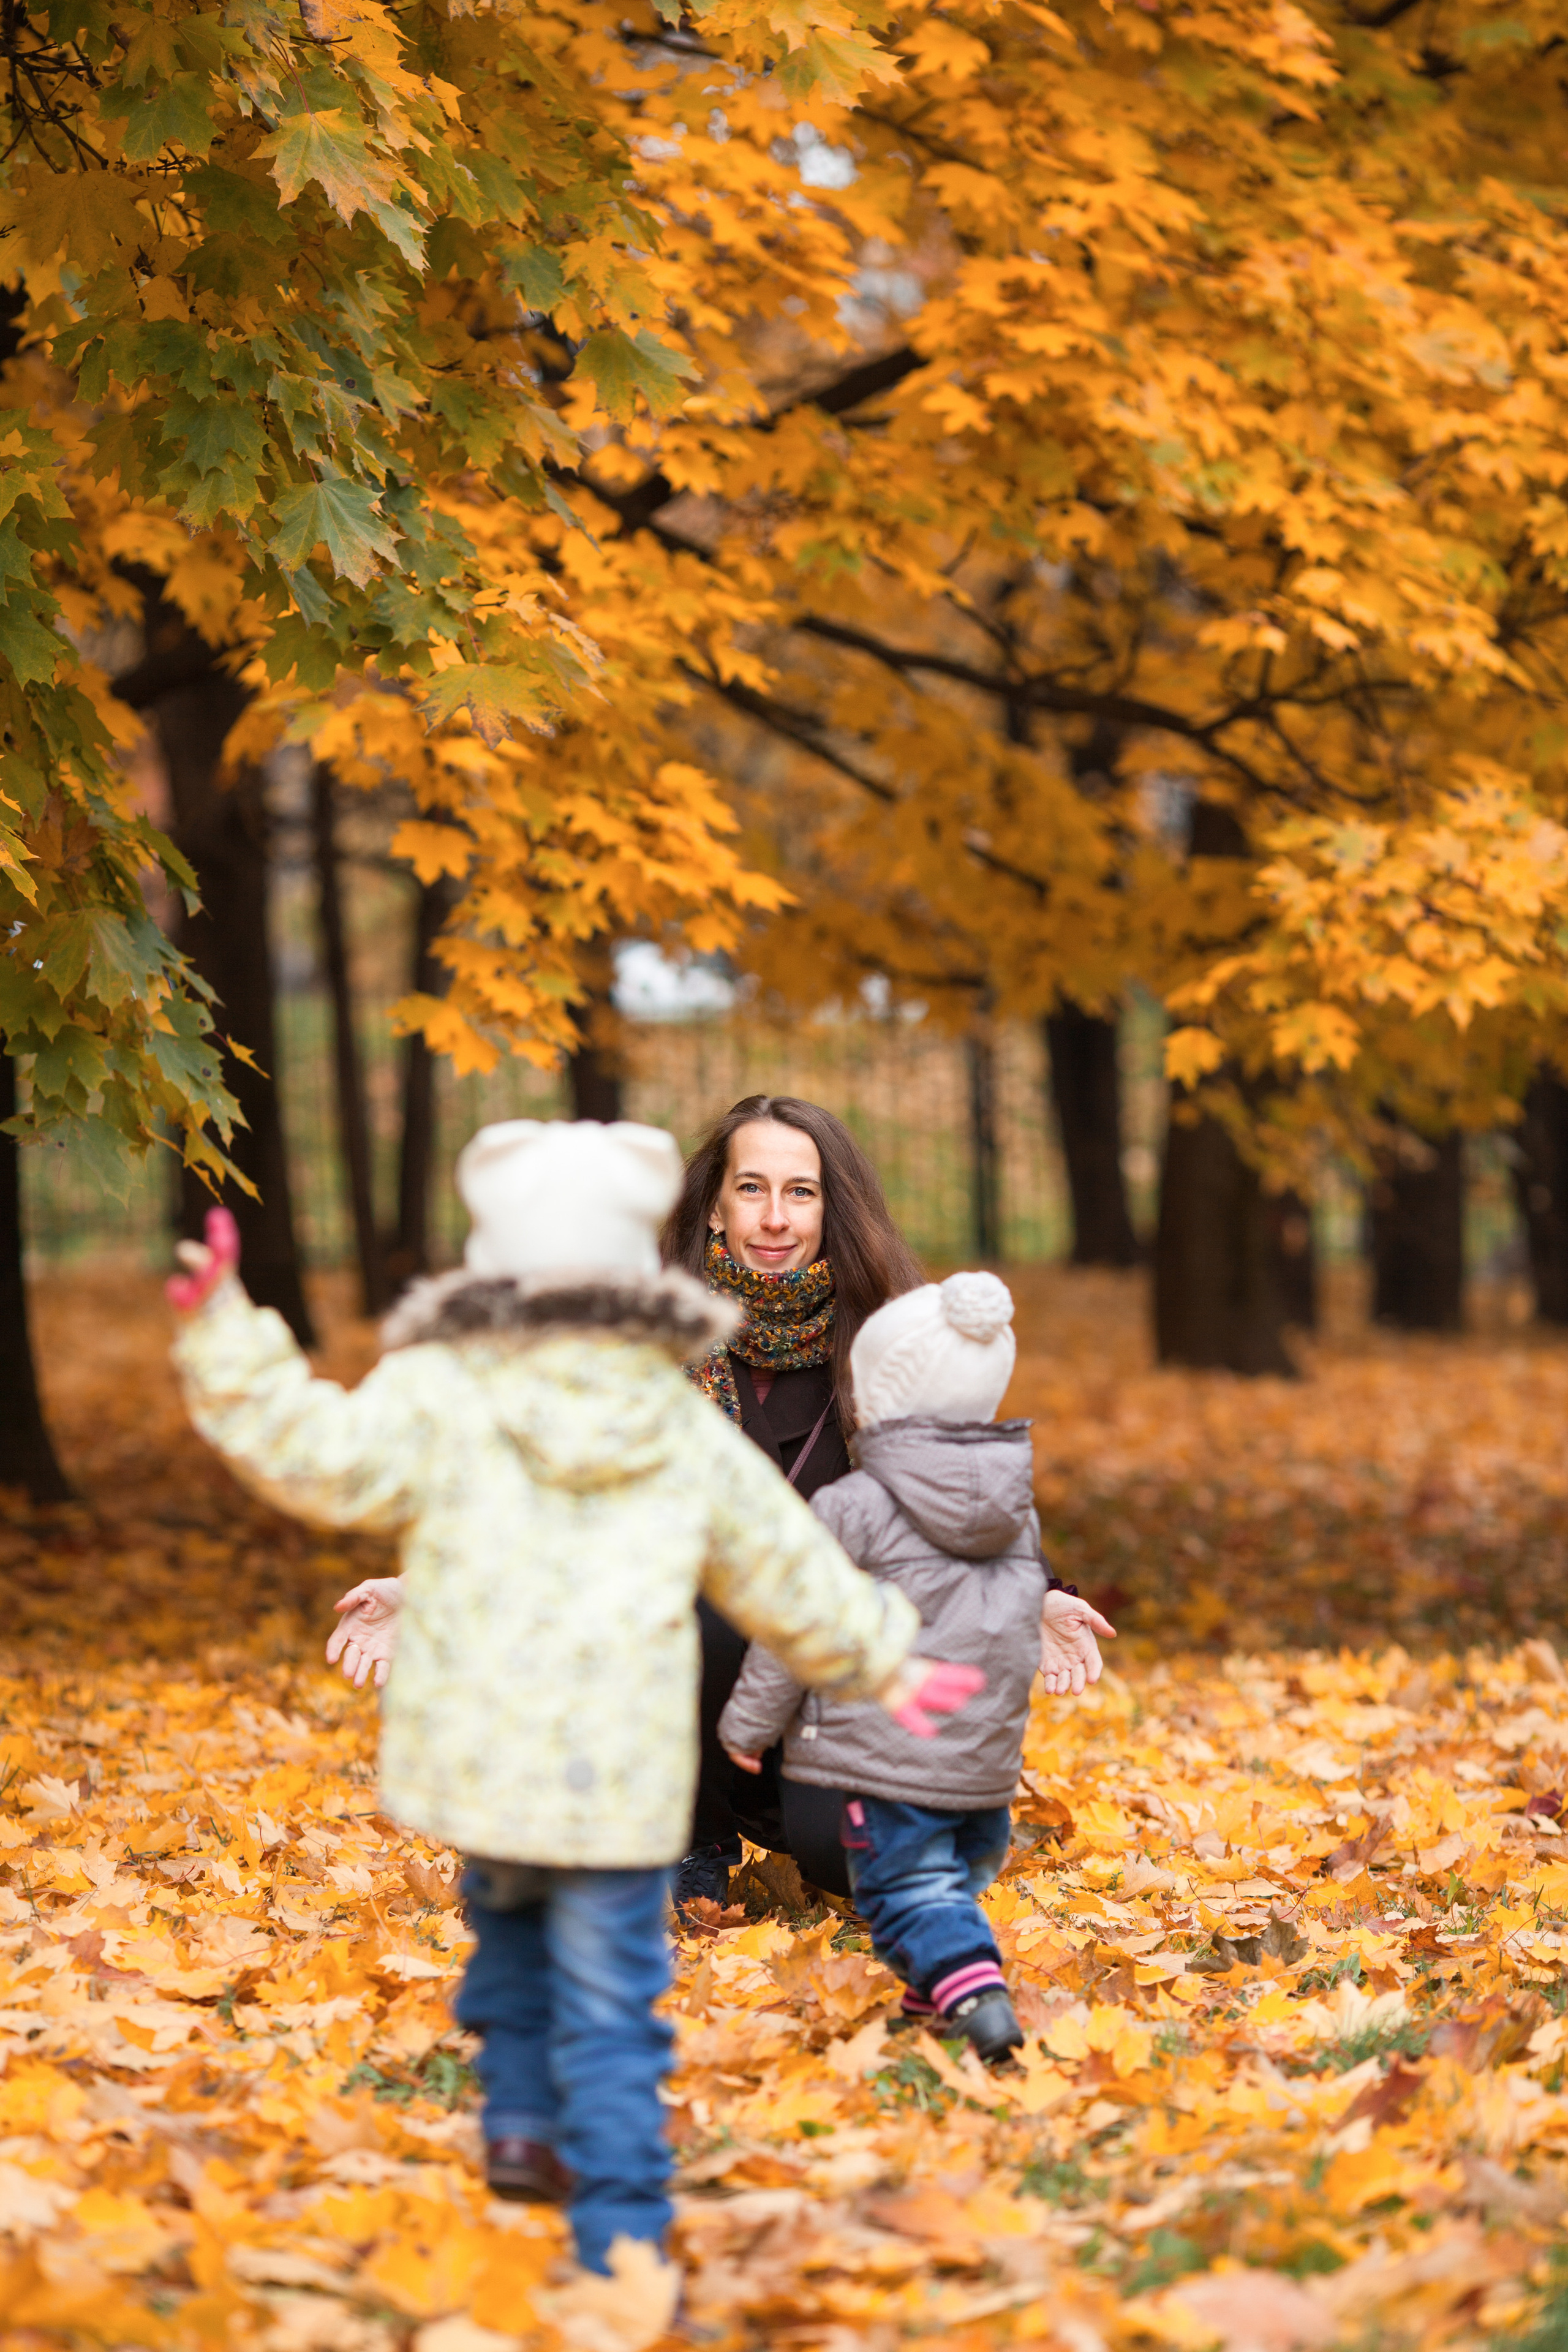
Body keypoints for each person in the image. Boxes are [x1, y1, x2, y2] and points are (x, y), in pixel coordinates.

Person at [166, 1120, 983, 2282]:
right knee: (613, 2014)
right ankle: (624, 2250)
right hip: (616, 1785)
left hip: (484, 1777)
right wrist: (887, 1658)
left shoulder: (442, 1388)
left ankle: (514, 2116)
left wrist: (224, 1335)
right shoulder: (664, 1413)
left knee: (505, 1934)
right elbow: (782, 1566)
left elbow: (315, 1453)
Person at [328, 1095, 1118, 1905]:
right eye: (752, 1188)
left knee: (851, 1861)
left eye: (800, 1192)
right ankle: (684, 1837)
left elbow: (955, 1488)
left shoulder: (891, 1341)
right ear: (714, 1205)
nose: (775, 1218)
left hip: (831, 1695)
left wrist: (1038, 1597)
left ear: (830, 1207)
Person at [718, 1270, 1117, 2061]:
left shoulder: (852, 1505)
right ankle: (931, 1990)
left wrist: (747, 1724)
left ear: (875, 1399)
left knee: (903, 1889)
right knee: (944, 1885)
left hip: (885, 1761)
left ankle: (974, 1989)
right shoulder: (1014, 1509)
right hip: (985, 1770)